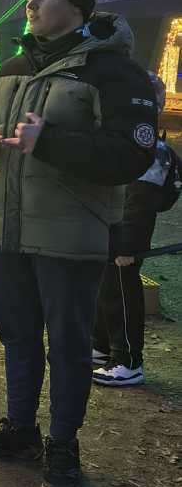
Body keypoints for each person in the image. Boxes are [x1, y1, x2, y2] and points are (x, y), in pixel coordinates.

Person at [0, 0, 157, 487]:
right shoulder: (12, 67)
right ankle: (20, 429)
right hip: (9, 232)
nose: (30, 5)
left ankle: (64, 446)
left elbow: (131, 155)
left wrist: (48, 141)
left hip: (71, 238)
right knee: (17, 334)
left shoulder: (113, 72)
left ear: (77, 4)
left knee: (69, 345)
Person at [92, 72, 174, 388]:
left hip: (126, 236)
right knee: (105, 288)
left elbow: (140, 201)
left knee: (121, 292)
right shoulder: (132, 141)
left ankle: (128, 360)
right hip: (114, 229)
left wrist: (127, 245)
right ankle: (102, 347)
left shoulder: (148, 148)